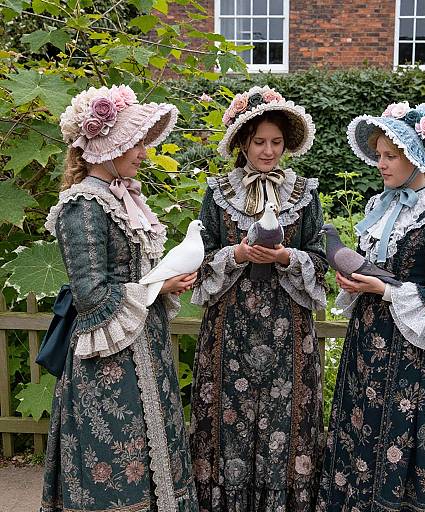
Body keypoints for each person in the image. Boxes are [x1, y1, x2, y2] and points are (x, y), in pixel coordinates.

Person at [41, 84, 199, 512]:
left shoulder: (123, 197)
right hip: (108, 358)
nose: (143, 152)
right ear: (109, 146)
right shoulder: (83, 205)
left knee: (154, 451)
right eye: (135, 143)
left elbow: (131, 274)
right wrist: (156, 287)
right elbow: (90, 294)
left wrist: (164, 280)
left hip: (145, 345)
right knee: (115, 451)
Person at [317, 102, 425, 511]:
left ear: (416, 156)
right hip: (368, 346)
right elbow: (377, 269)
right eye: (380, 156)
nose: (382, 165)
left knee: (406, 439)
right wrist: (354, 280)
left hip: (414, 358)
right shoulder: (379, 207)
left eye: (391, 156)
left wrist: (384, 290)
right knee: (364, 431)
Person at [190, 86, 328, 511]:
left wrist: (288, 256)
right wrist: (237, 254)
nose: (269, 152)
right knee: (228, 418)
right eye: (260, 142)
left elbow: (321, 259)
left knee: (287, 418)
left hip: (289, 329)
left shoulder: (304, 193)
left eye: (277, 143)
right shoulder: (217, 193)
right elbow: (200, 257)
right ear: (243, 143)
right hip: (230, 327)